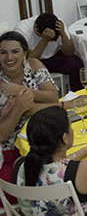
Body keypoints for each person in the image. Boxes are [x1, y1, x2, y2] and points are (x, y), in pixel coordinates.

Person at [13, 106, 87, 216]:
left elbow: (56, 167)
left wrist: (85, 150)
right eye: (70, 127)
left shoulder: (19, 164)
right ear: (65, 138)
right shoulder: (83, 171)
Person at [0, 31, 59, 182]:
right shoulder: (2, 83)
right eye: (3, 53)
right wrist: (62, 106)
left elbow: (53, 95)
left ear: (25, 53)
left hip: (44, 134)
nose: (9, 57)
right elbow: (2, 134)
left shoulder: (33, 65)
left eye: (15, 51)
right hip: (13, 148)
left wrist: (23, 90)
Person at [14, 13, 84, 91]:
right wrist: (45, 40)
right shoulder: (22, 30)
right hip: (34, 61)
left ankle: (78, 94)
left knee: (76, 64)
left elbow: (69, 53)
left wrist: (63, 34)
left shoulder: (58, 24)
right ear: (36, 29)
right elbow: (29, 60)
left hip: (55, 56)